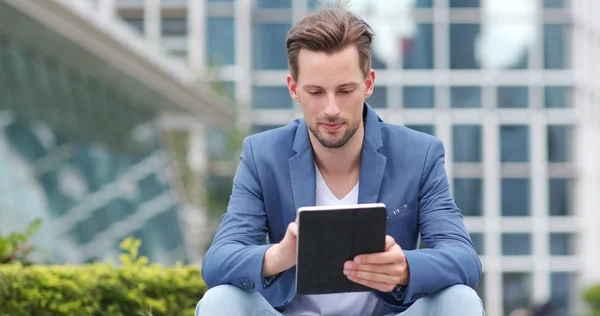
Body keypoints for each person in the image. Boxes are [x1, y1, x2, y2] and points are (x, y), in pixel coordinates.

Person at [195, 1, 484, 315]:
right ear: (294, 88)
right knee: (220, 300)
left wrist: (403, 268)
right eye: (316, 92)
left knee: (461, 299)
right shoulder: (262, 155)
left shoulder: (419, 154)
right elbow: (217, 261)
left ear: (368, 84)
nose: (331, 109)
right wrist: (280, 256)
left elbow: (464, 258)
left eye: (345, 90)